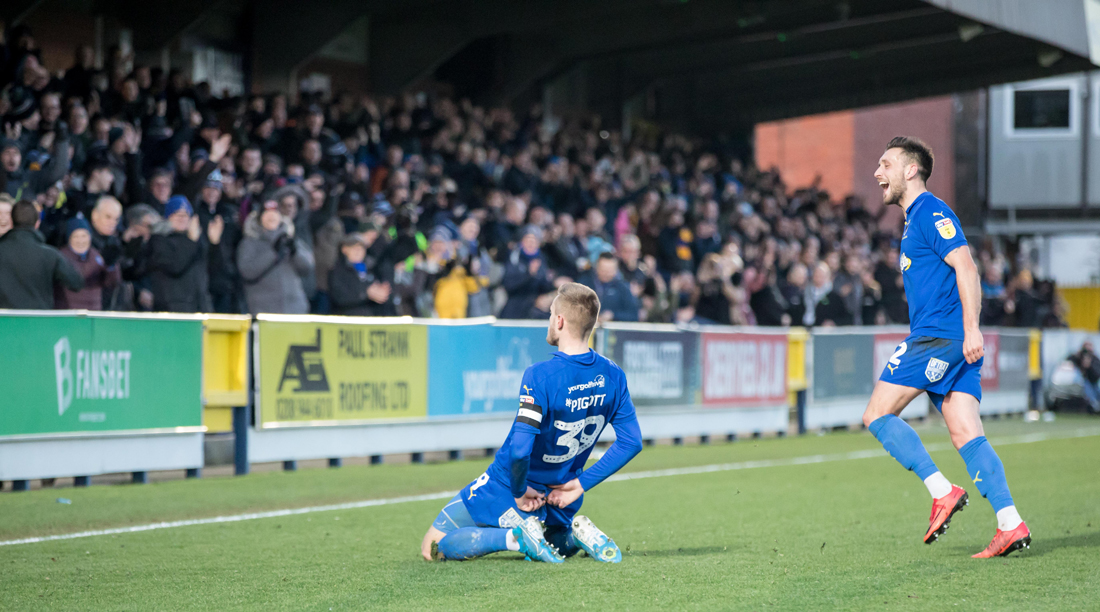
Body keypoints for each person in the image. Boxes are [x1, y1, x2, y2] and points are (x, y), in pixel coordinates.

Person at [862, 136, 1029, 558]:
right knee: (966, 433)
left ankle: (942, 491)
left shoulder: (930, 212)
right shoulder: (913, 220)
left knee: (877, 414)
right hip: (950, 338)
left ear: (911, 170)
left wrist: (972, 329)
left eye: (886, 164)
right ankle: (1010, 523)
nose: (877, 173)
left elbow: (967, 267)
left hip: (939, 336)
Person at [421, 283, 643, 562]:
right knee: (551, 538)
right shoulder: (614, 374)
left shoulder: (540, 375)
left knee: (432, 547)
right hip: (563, 494)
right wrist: (580, 485)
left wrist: (518, 491)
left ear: (559, 321)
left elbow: (519, 450)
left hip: (514, 488)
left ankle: (515, 538)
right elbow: (632, 442)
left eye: (550, 314)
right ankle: (575, 536)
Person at [0, 200, 83, 308]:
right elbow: (76, 282)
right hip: (39, 317)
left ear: (11, 222)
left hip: (4, 317)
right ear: (37, 223)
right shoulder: (50, 255)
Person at [237, 199, 314, 315]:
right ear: (259, 218)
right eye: (267, 213)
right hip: (263, 310)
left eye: (275, 213)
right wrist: (273, 253)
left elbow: (308, 268)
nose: (271, 217)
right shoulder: (249, 243)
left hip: (295, 309)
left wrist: (295, 252)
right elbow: (247, 272)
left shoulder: (290, 239)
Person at [144, 195, 214, 312]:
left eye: (186, 215)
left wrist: (214, 243)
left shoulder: (196, 239)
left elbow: (210, 270)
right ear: (168, 216)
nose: (182, 218)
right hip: (172, 308)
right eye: (177, 214)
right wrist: (191, 242)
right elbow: (175, 267)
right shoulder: (159, 239)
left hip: (199, 306)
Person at [55, 216, 120, 310]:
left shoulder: (96, 255)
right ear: (69, 238)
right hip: (69, 311)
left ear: (90, 237)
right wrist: (99, 265)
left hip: (93, 311)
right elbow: (79, 278)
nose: (80, 241)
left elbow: (111, 283)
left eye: (84, 236)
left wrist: (111, 267)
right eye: (76, 236)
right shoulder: (61, 256)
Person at [579, 252, 639, 322]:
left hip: (613, 327)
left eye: (610, 271)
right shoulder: (584, 284)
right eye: (603, 270)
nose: (606, 274)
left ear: (616, 270)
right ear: (596, 268)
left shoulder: (622, 288)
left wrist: (613, 316)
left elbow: (633, 315)